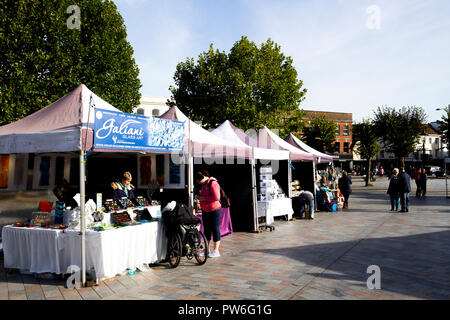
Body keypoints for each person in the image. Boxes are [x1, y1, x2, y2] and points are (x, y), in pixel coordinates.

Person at [194, 170, 222, 258]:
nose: (198, 183)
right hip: (206, 210)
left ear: (201, 178)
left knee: (215, 229)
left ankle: (216, 250)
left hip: (214, 210)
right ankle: (207, 249)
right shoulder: (204, 184)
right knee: (207, 230)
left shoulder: (213, 183)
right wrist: (199, 197)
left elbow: (216, 197)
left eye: (198, 181)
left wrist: (203, 198)